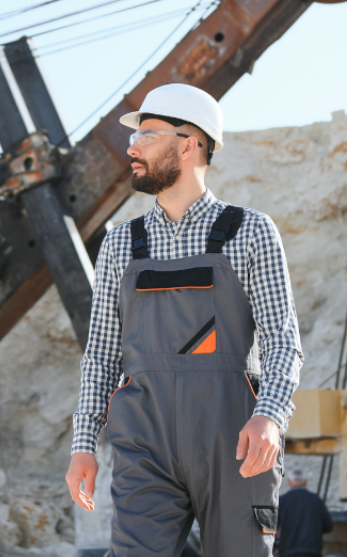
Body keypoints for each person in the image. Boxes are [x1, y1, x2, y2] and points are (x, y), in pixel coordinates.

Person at [64, 83, 303, 557]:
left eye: (147, 135)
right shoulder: (120, 244)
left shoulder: (250, 232)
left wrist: (270, 417)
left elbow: (283, 341)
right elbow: (102, 356)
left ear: (190, 143)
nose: (131, 147)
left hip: (234, 444)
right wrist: (83, 442)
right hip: (143, 443)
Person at [278, 468, 333, 556]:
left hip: (288, 551)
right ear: (305, 482)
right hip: (312, 551)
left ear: (289, 482)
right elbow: (328, 526)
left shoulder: (282, 501)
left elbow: (273, 527)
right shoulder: (315, 500)